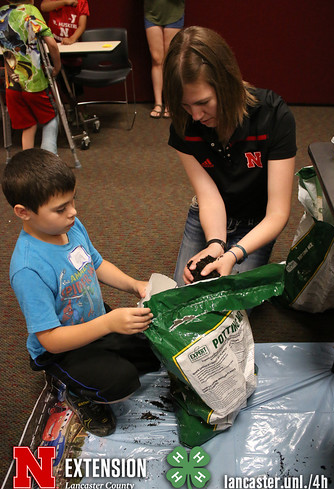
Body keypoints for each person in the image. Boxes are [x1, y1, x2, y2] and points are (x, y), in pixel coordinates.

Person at [2, 149, 160, 437]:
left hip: (94, 321)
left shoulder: (71, 226)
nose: (73, 212)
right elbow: (50, 340)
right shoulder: (27, 268)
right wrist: (109, 324)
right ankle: (76, 393)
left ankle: (99, 359)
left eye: (72, 201)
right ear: (24, 212)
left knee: (151, 353)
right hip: (60, 349)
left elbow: (96, 263)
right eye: (61, 208)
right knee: (120, 383)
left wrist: (134, 284)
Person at [163, 26, 297, 285]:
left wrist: (234, 253)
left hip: (258, 220)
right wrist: (215, 244)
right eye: (185, 105)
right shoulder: (183, 124)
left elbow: (278, 212)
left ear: (227, 83)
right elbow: (208, 195)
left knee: (230, 301)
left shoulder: (273, 115)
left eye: (203, 103)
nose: (196, 116)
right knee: (186, 295)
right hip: (210, 212)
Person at [0, 0, 61, 153]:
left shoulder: (2, 12)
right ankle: (48, 162)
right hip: (34, 83)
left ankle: (28, 169)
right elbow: (52, 44)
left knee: (28, 125)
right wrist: (57, 66)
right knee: (51, 118)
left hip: (12, 86)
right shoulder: (30, 10)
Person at [144, 0, 185, 118]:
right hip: (152, 13)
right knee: (156, 59)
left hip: (174, 13)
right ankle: (158, 103)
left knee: (169, 59)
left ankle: (169, 103)